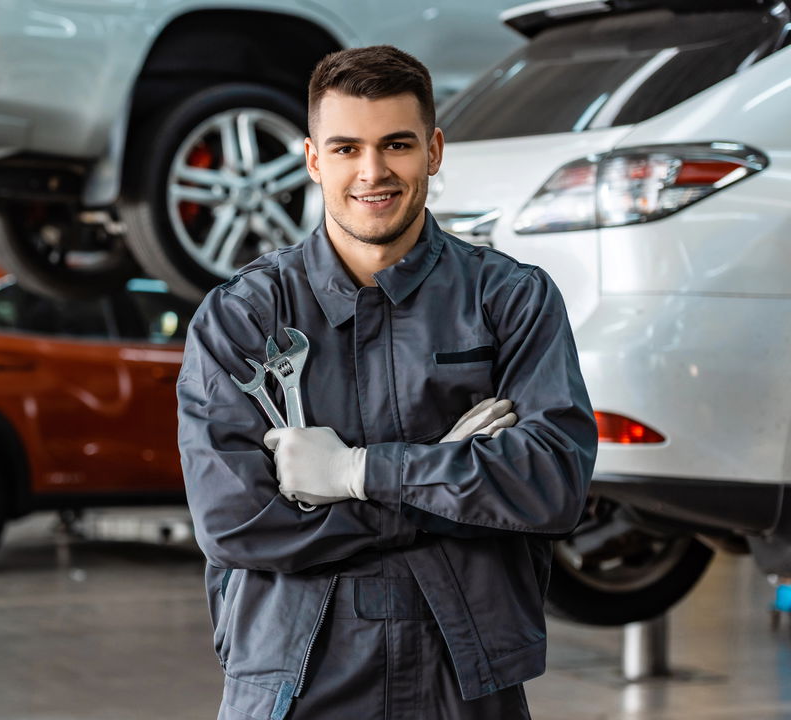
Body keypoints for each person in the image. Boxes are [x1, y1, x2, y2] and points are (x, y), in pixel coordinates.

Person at [176, 45, 597, 719]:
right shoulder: (243, 317)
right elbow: (238, 523)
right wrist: (449, 479)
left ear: (432, 150)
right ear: (313, 159)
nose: (373, 172)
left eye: (396, 144)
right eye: (346, 148)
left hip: (464, 678)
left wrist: (356, 473)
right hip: (294, 680)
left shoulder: (511, 300)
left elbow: (551, 485)